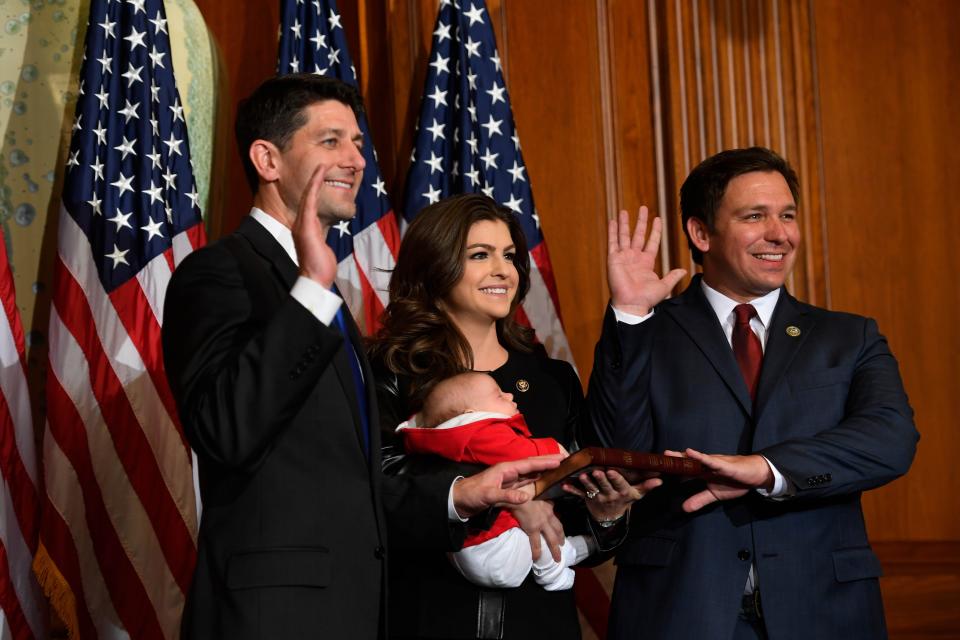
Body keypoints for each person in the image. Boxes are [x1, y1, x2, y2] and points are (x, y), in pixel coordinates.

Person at [161, 74, 560, 640]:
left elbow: (348, 471)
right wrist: (311, 292)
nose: (357, 159)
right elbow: (225, 428)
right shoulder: (222, 273)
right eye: (331, 141)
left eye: (357, 143)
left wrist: (460, 495)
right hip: (274, 616)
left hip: (353, 608)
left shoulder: (324, 297)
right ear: (267, 159)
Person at [582, 147, 919, 640]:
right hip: (681, 614)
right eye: (754, 216)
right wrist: (631, 317)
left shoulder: (849, 338)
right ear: (701, 233)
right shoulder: (646, 333)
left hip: (824, 613)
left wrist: (767, 469)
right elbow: (616, 457)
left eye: (787, 215)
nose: (779, 234)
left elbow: (891, 440)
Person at [369, 193, 649, 640]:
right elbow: (376, 491)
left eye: (511, 256)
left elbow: (579, 515)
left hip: (539, 624)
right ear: (433, 267)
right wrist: (513, 501)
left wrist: (606, 515)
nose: (504, 270)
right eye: (480, 255)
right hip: (425, 618)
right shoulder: (388, 371)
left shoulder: (552, 378)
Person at [398, 371, 644, 592]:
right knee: (543, 544)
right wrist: (553, 450)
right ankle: (553, 575)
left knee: (543, 534)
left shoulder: (448, 435)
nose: (508, 395)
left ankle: (569, 552)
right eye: (498, 395)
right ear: (471, 413)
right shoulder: (480, 430)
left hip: (468, 548)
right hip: (492, 547)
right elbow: (521, 453)